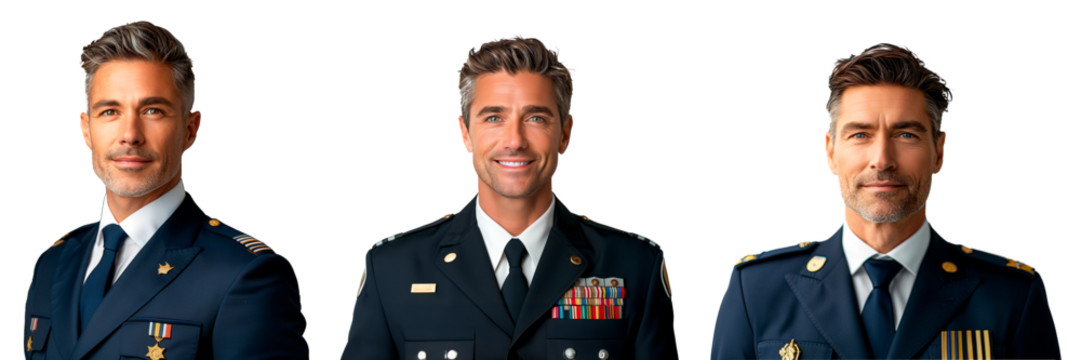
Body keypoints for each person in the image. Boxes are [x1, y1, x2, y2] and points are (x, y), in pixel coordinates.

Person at [709, 43, 1062, 360]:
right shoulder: (754, 290)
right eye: (860, 134)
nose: (882, 159)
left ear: (939, 152)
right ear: (830, 152)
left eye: (905, 134)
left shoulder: (1012, 295)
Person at [339, 33, 679, 359]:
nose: (514, 140)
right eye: (494, 117)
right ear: (465, 133)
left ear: (565, 134)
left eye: (536, 117)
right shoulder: (392, 270)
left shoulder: (635, 266)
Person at [21, 20, 308, 359]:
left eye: (153, 110)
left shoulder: (244, 273)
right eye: (110, 111)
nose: (130, 134)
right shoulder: (54, 262)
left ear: (190, 129)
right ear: (86, 129)